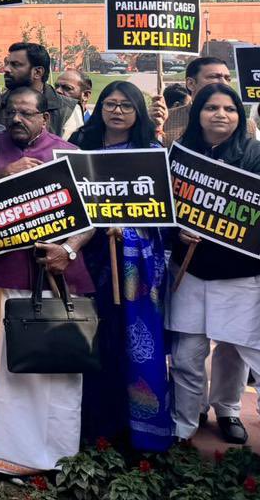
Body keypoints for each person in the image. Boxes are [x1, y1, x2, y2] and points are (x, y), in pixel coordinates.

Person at [0, 87, 93, 476]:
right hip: (5, 276)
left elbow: (93, 217)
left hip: (60, 278)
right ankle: (3, 458)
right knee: (5, 371)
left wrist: (69, 250)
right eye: (11, 112)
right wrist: (1, 176)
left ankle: (58, 459)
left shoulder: (69, 154)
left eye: (26, 113)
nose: (16, 119)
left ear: (45, 117)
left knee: (59, 370)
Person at [68, 81, 174, 452]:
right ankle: (90, 426)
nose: (117, 111)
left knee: (130, 344)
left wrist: (128, 228)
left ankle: (136, 432)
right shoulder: (81, 145)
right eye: (110, 104)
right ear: (99, 109)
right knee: (90, 340)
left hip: (132, 266)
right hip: (86, 256)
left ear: (138, 112)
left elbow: (162, 216)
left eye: (126, 105)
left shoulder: (151, 151)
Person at [167, 83, 260, 444]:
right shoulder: (178, 155)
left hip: (239, 274)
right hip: (189, 271)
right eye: (211, 108)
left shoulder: (254, 155)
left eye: (229, 109)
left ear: (239, 116)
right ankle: (185, 423)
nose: (221, 114)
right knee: (187, 354)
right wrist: (178, 231)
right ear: (198, 114)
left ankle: (228, 410)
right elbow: (163, 208)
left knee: (235, 350)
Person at [0, 42, 83, 139]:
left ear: (37, 72)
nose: (6, 69)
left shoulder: (68, 109)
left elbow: (70, 148)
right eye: (7, 63)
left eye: (15, 64)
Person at [163, 56, 249, 145]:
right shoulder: (165, 122)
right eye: (214, 77)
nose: (224, 83)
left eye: (227, 79)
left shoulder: (248, 127)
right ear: (191, 84)